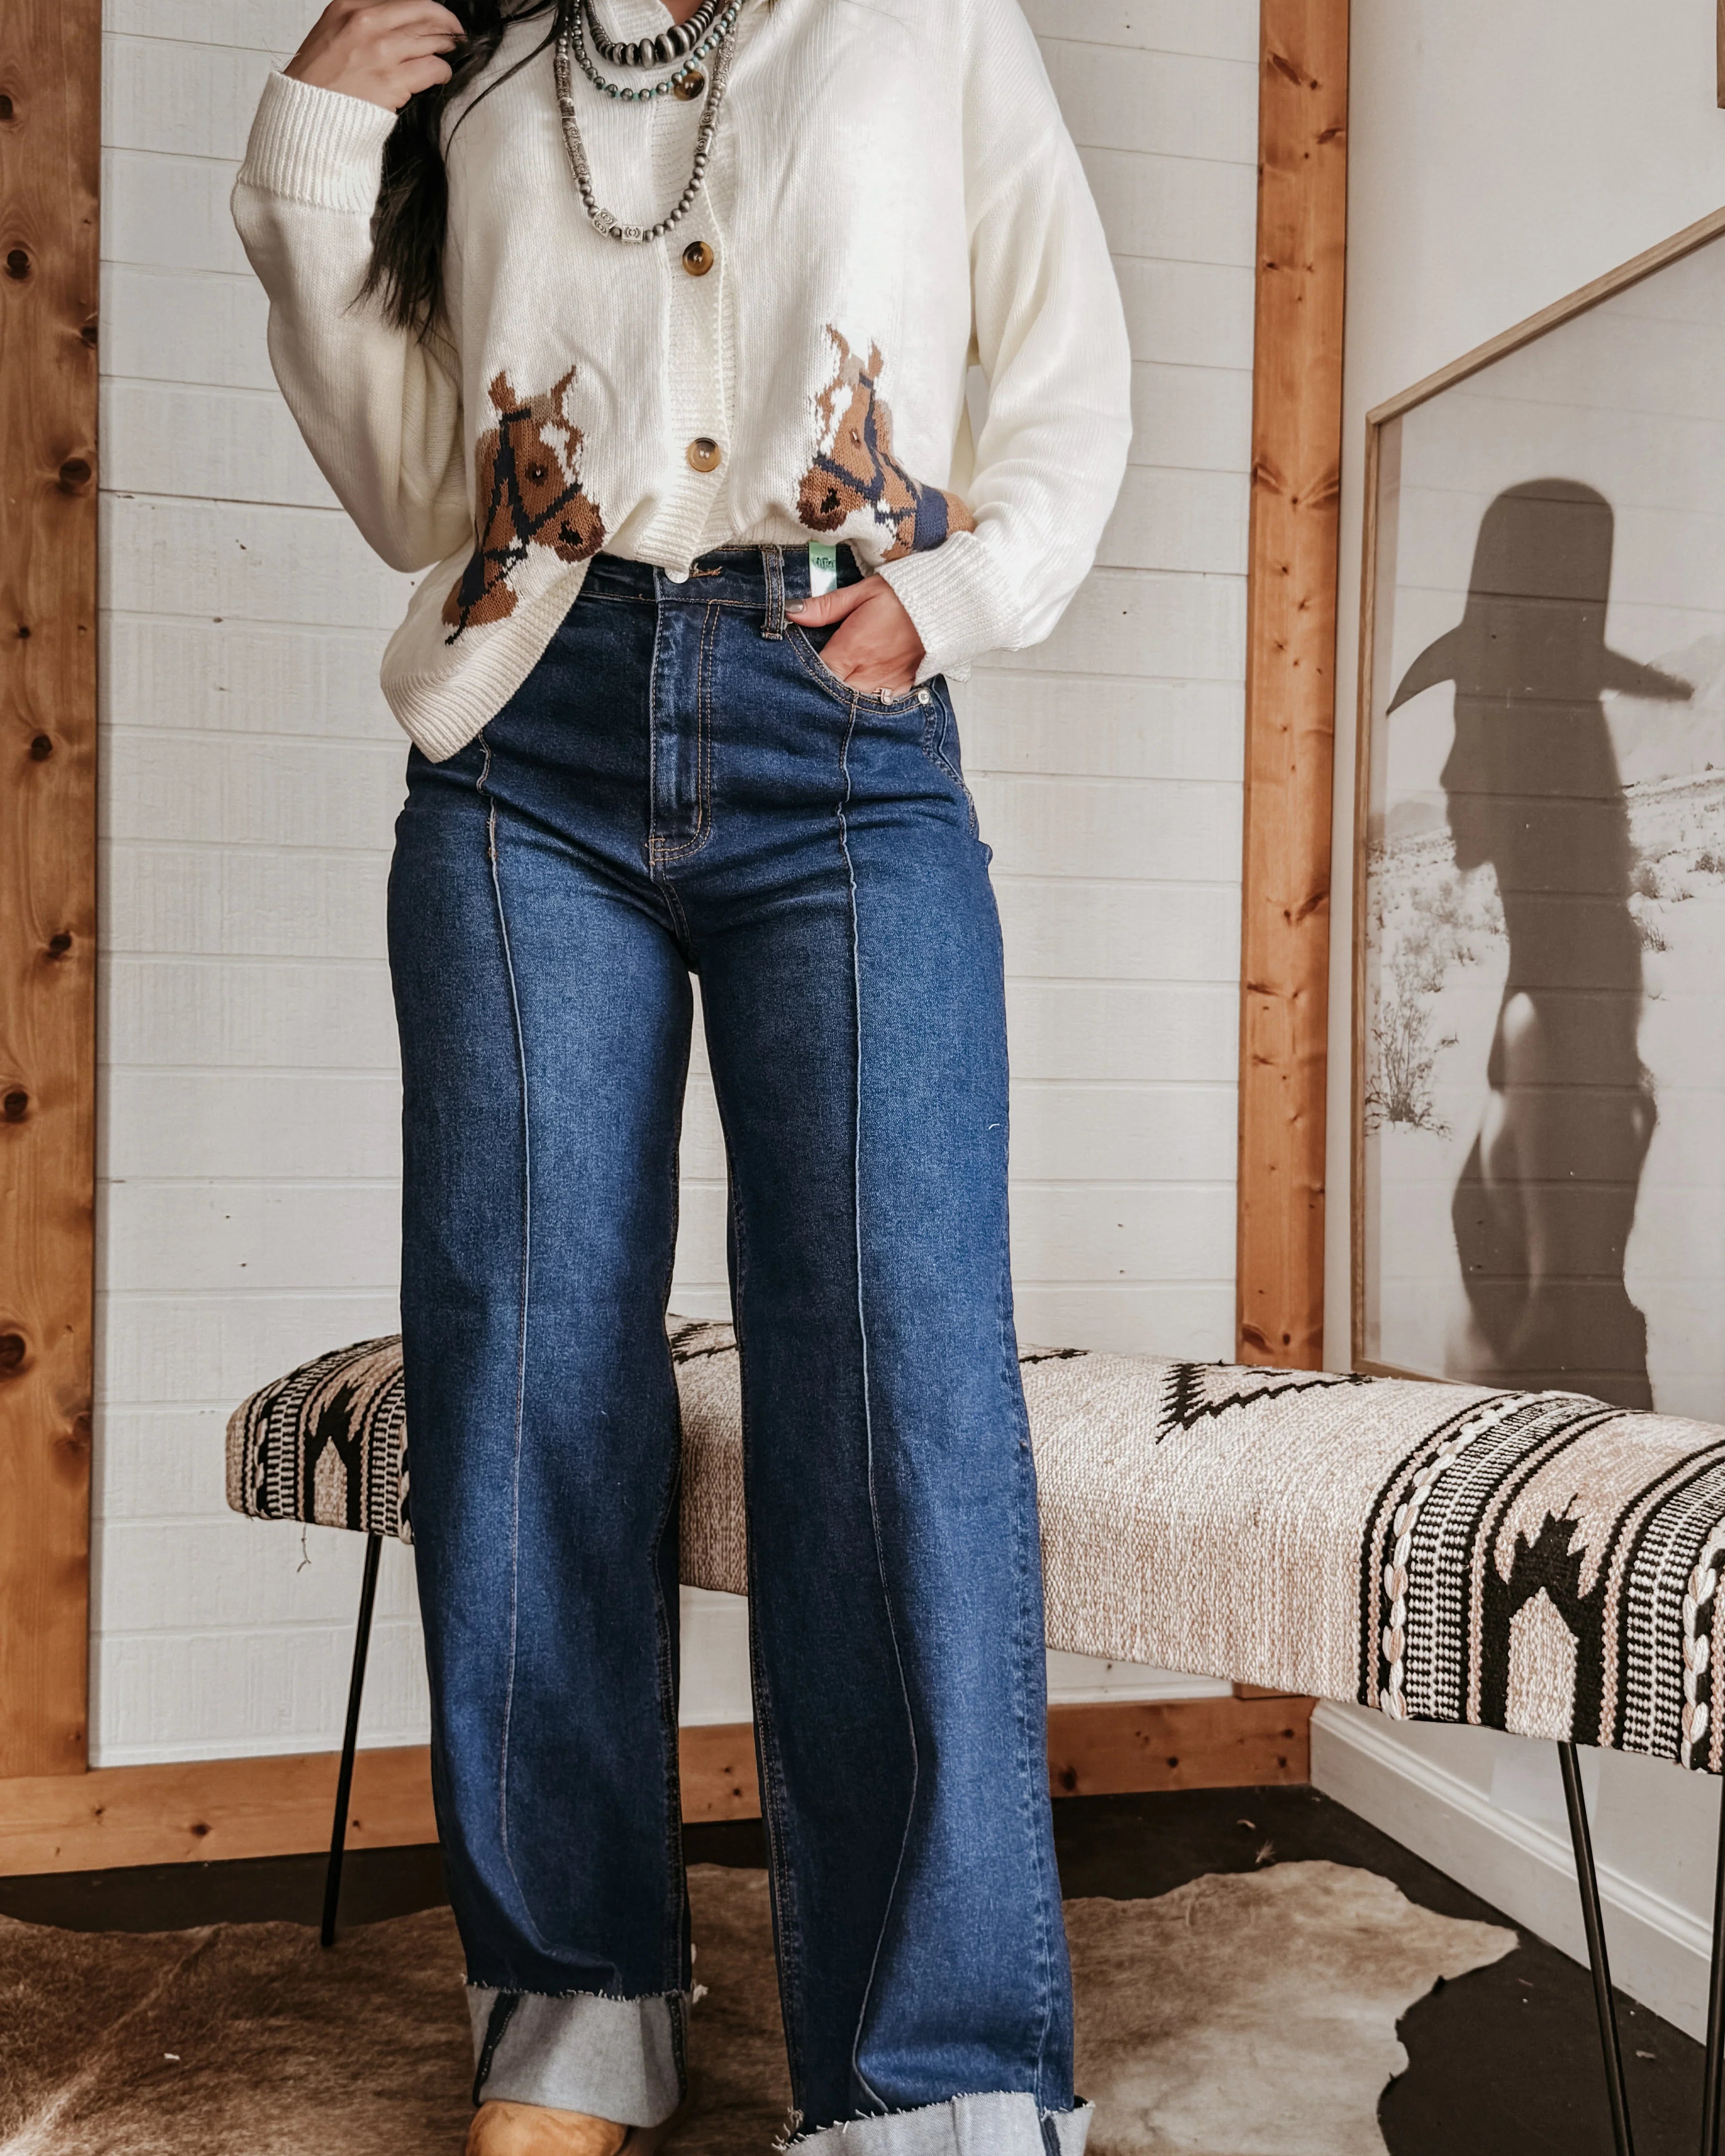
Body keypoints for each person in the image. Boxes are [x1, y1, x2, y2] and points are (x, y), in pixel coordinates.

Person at [232, 1, 1131, 2148]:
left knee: (894, 1374)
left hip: (842, 728)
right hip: (525, 748)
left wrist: (953, 589)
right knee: (523, 1355)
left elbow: (1065, 350)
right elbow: (400, 484)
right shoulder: (488, 69)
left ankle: (932, 2074)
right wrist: (317, 147)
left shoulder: (920, 25)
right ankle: (574, 2009)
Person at [1388, 480, 1689, 1410]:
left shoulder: (1549, 1025)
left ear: (1531, 758)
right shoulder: (1554, 999)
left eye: (1469, 726)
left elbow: (1571, 1359)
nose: (1443, 768)